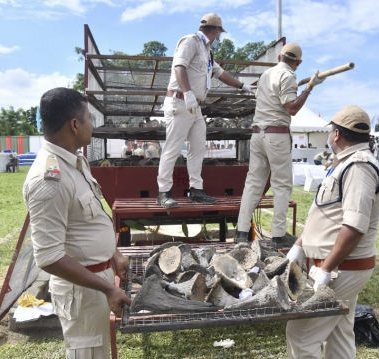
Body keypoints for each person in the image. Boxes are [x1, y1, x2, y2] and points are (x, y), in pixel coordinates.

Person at [23, 87, 131, 358]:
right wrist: (107, 287)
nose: (92, 125)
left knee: (100, 352)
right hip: (83, 292)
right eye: (89, 118)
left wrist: (113, 254)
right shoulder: (49, 180)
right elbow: (48, 256)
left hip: (97, 282)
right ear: (74, 125)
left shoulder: (76, 162)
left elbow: (89, 219)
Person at [285, 105, 379, 358]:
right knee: (339, 333)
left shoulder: (358, 167)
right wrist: (300, 245)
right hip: (340, 267)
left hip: (341, 268)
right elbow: (324, 214)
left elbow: (354, 226)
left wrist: (326, 269)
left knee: (301, 335)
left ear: (337, 135)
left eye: (331, 131)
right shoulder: (347, 164)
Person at [234, 42, 325, 248]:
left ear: (279, 58)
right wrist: (309, 87)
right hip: (276, 135)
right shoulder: (288, 76)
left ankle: (241, 231)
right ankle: (277, 234)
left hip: (258, 134)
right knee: (282, 185)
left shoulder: (267, 75)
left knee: (253, 184)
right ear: (298, 62)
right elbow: (292, 108)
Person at [156, 13, 253, 208]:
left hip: (194, 106)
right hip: (181, 101)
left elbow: (221, 74)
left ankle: (196, 190)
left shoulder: (207, 51)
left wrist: (243, 86)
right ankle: (163, 192)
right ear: (216, 31)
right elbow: (179, 66)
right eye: (219, 34)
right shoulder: (190, 41)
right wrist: (188, 92)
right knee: (173, 148)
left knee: (198, 147)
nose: (219, 38)